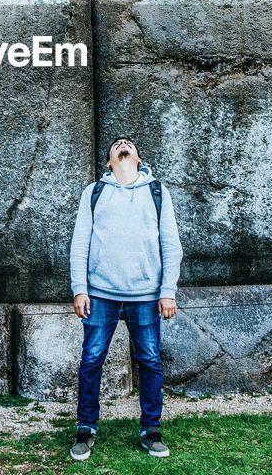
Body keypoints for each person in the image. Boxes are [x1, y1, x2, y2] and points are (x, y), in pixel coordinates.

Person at [68, 136, 182, 460]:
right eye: (117, 144)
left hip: (146, 297)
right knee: (91, 361)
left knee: (150, 361)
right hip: (100, 294)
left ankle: (151, 429)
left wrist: (168, 291)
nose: (122, 145)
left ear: (138, 158)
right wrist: (80, 288)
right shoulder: (94, 193)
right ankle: (85, 428)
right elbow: (80, 244)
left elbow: (171, 245)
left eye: (127, 143)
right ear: (109, 162)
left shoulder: (158, 192)